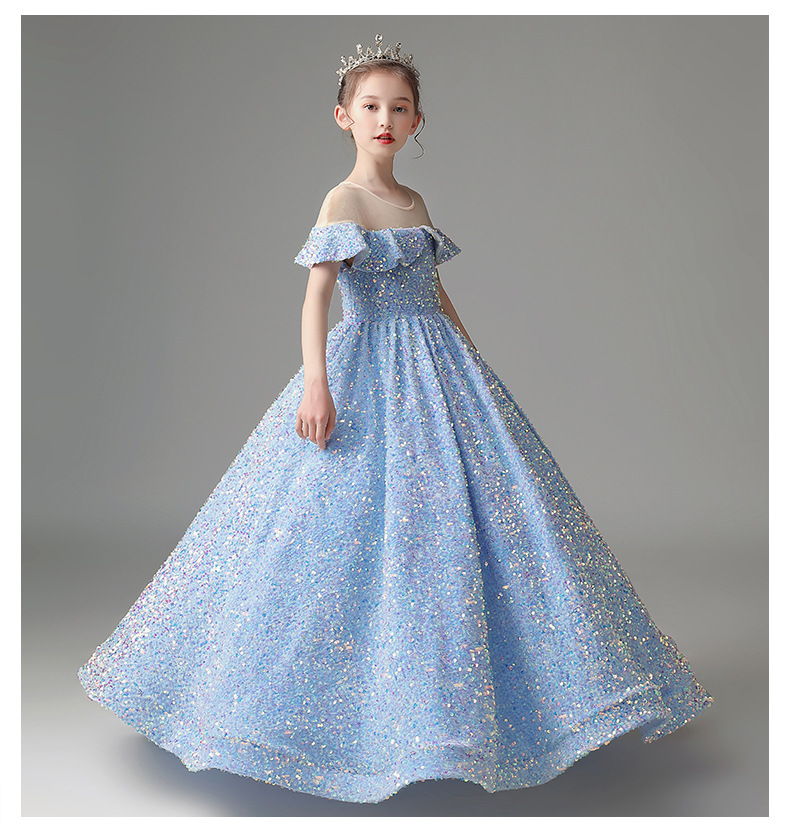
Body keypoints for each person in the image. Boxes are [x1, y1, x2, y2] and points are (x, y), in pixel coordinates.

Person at [78, 34, 714, 804]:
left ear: (417, 121)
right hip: (365, 367)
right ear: (343, 116)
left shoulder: (414, 204)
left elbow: (434, 294)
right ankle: (321, 716)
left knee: (458, 528)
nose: (385, 119)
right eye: (371, 106)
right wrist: (317, 385)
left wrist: (473, 362)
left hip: (439, 370)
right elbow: (316, 298)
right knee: (331, 531)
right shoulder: (341, 202)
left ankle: (464, 709)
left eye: (399, 107)